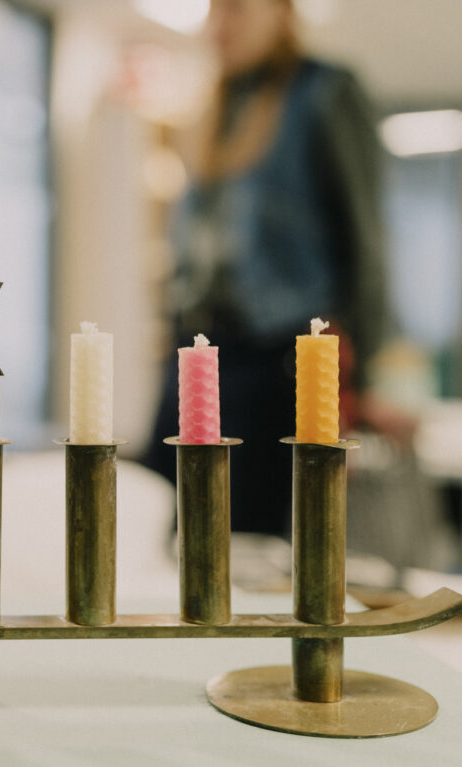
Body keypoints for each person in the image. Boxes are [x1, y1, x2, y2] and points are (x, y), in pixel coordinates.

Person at [141, 0, 411, 537]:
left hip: (279, 360)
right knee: (160, 514)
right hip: (199, 355)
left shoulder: (325, 93)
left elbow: (366, 238)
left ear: (281, 13)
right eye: (213, 12)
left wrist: (371, 370)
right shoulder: (213, 107)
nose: (219, 27)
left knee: (243, 537)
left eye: (236, 9)